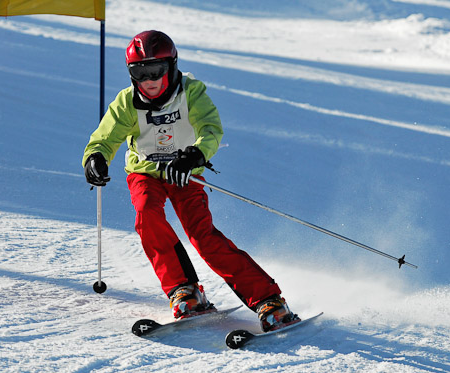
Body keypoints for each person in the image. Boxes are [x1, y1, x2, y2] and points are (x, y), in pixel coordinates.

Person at [83, 30, 297, 332]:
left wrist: (196, 154)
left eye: (156, 71)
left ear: (171, 67)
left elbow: (211, 129)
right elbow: (104, 138)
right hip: (145, 172)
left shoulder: (191, 93)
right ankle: (183, 289)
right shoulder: (127, 102)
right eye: (140, 72)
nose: (149, 81)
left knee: (202, 236)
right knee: (146, 214)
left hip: (183, 172)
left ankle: (268, 300)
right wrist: (96, 157)